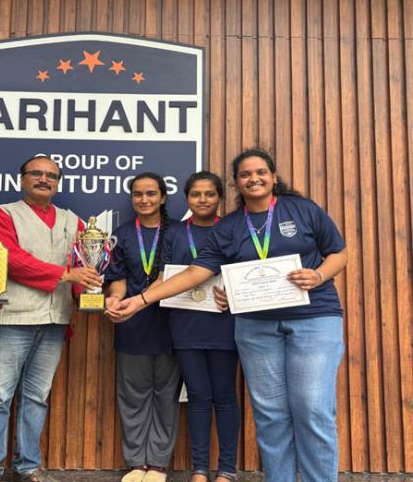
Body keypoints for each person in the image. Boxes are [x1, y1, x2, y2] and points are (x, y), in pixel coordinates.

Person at [110, 149, 347, 482]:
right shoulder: (231, 227)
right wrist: (140, 300)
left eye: (260, 172)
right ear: (236, 182)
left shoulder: (302, 209)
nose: (254, 178)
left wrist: (319, 275)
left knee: (311, 407)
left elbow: (339, 253)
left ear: (273, 177)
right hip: (256, 326)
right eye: (245, 174)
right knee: (270, 414)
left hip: (313, 318)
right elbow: (196, 272)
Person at [0, 156, 102, 482]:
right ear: (22, 179)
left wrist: (90, 295)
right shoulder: (4, 214)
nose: (44, 180)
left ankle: (28, 467)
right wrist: (65, 274)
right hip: (12, 318)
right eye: (37, 173)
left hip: (55, 320)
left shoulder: (73, 221)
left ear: (58, 183)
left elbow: (84, 265)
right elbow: (10, 258)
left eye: (51, 176)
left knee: (37, 398)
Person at [160, 172, 239, 482]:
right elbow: (165, 276)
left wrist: (233, 295)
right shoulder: (174, 232)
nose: (203, 199)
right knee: (197, 396)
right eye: (196, 194)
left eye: (209, 194)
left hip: (224, 323)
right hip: (185, 324)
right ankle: (200, 469)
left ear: (220, 197)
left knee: (225, 396)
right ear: (187, 198)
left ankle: (228, 469)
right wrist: (135, 302)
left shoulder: (232, 229)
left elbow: (243, 271)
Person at [104, 172, 181, 482]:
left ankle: (158, 464)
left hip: (172, 325)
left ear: (163, 197)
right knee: (132, 396)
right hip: (132, 324)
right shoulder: (122, 235)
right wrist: (114, 299)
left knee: (166, 396)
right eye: (138, 194)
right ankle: (137, 463)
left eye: (151, 193)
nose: (144, 199)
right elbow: (118, 280)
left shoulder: (178, 232)